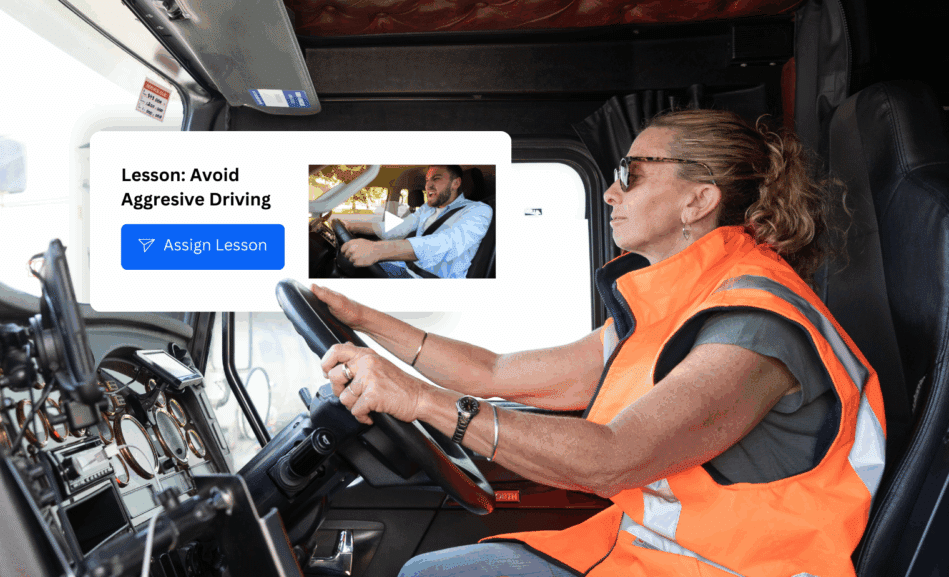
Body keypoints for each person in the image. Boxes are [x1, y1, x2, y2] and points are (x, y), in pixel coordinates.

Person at [311, 109, 886, 577]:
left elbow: (614, 457)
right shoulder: (682, 301)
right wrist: (363, 318)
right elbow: (492, 371)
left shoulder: (757, 325)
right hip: (641, 558)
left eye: (629, 173)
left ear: (698, 200)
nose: (610, 193)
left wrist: (421, 402)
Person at [336, 165, 492, 278]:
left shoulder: (479, 210)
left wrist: (378, 250)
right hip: (404, 268)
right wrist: (352, 225)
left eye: (436, 179)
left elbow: (447, 242)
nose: (428, 185)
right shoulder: (427, 209)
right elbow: (397, 228)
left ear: (455, 183)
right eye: (427, 180)